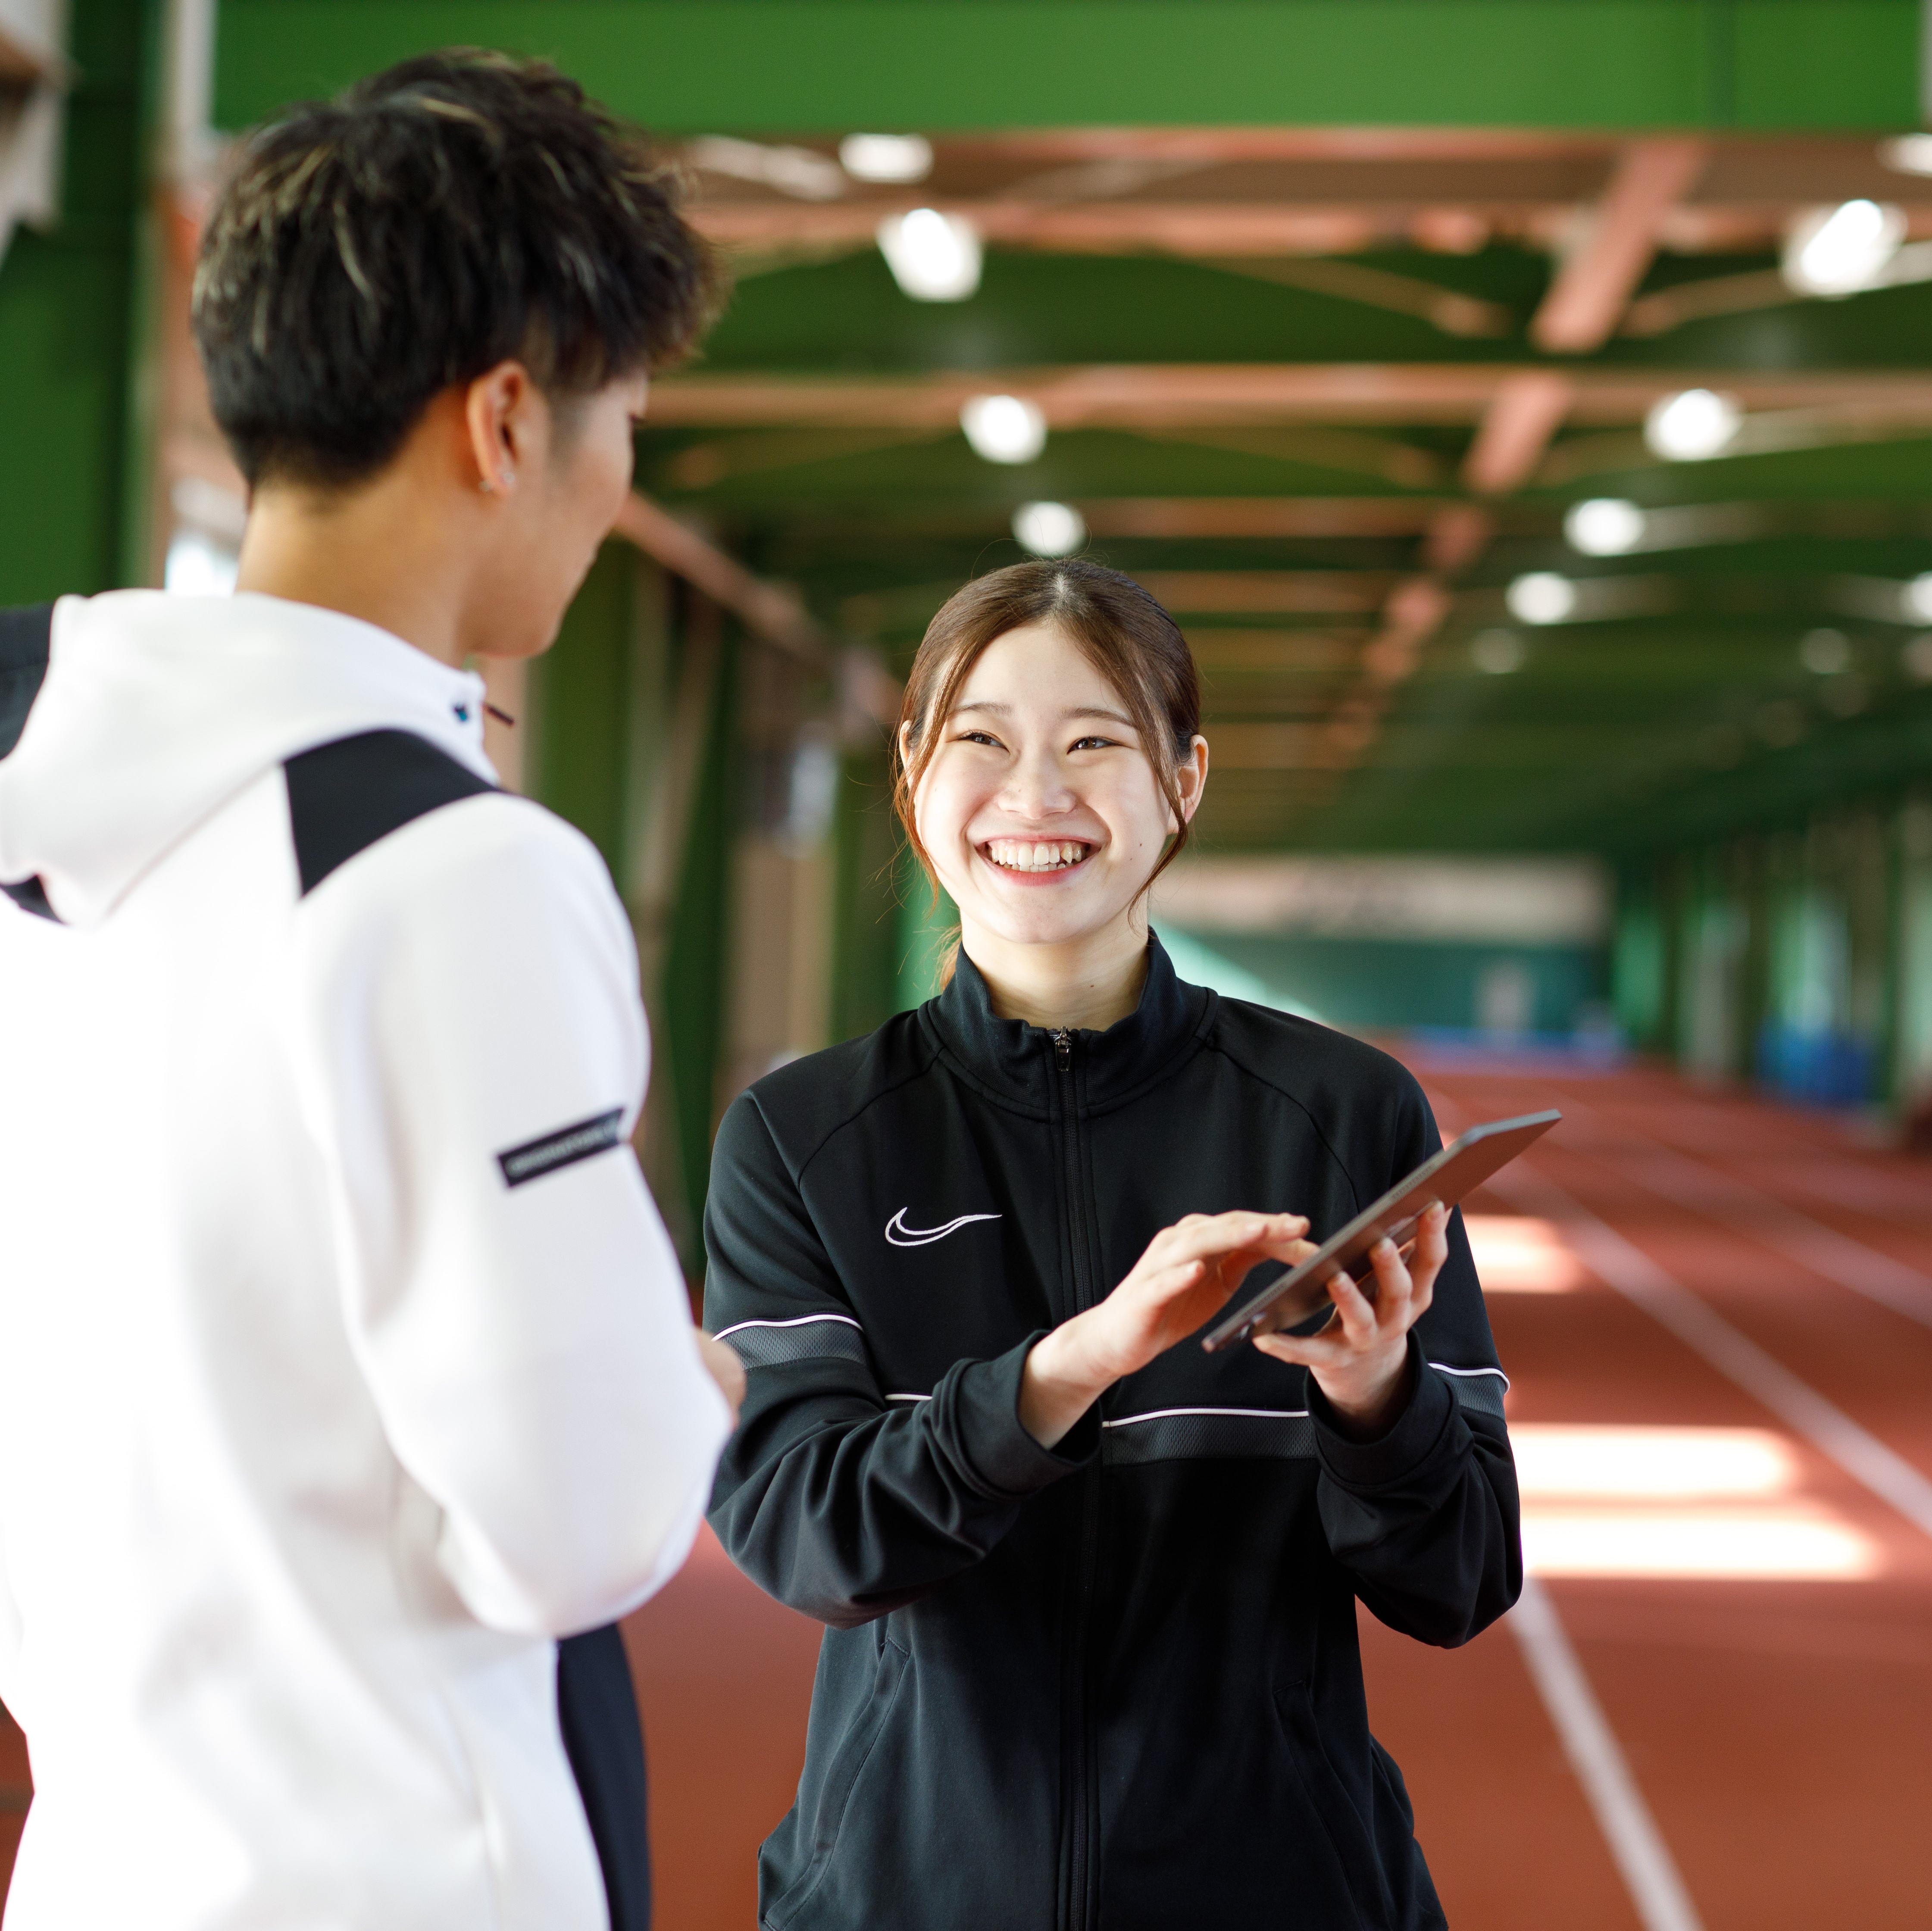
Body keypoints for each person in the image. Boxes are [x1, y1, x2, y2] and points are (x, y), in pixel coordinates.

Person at [0, 52, 743, 1931]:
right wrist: (697, 1379)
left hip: (103, 1863)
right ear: (504, 422)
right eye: (621, 414)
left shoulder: (40, 785)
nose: (615, 476)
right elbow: (576, 1522)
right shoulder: (450, 872)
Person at [703, 559, 1521, 1931]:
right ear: (910, 770)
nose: (1034, 797)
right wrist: (1065, 1372)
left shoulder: (1339, 1114)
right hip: (907, 1898)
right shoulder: (804, 1137)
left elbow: (1461, 1581)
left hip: (1280, 1894)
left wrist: (1378, 1403)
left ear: (1183, 782)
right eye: (981, 741)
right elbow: (809, 1540)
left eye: (1094, 744)